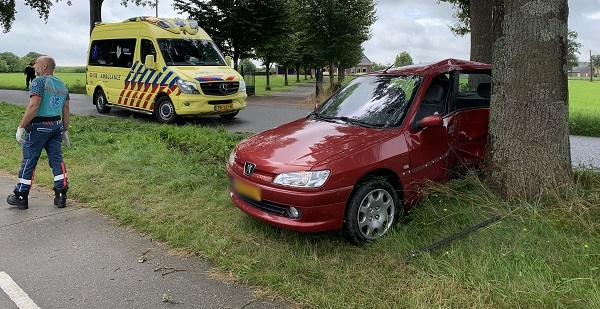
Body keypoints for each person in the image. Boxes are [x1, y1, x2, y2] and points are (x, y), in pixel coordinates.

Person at [7, 56, 71, 210]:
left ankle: (21, 195)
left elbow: (34, 106)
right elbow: (66, 110)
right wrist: (65, 130)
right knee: (57, 160)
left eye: (36, 64)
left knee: (29, 160)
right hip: (56, 126)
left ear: (44, 67)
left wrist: (21, 127)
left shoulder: (38, 82)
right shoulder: (62, 85)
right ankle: (61, 194)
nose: (34, 66)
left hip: (39, 126)